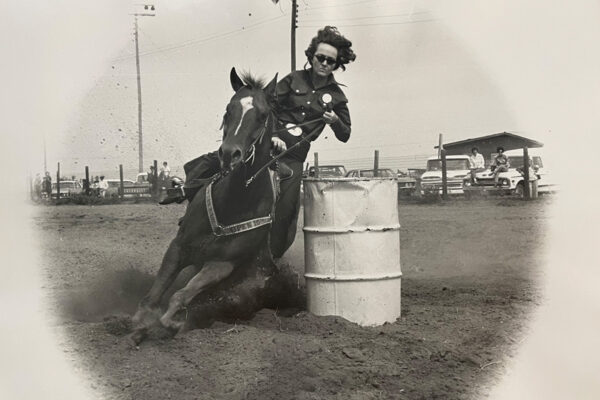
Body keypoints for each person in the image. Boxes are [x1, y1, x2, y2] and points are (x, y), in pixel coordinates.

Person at [162, 26, 356, 259]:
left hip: (294, 157)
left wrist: (334, 120)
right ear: (312, 56)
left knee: (286, 208)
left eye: (330, 61)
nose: (324, 63)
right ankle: (187, 195)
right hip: (267, 143)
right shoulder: (293, 79)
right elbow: (266, 105)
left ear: (337, 64)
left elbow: (345, 134)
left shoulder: (337, 96)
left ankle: (267, 257)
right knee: (220, 159)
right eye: (320, 57)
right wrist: (272, 135)